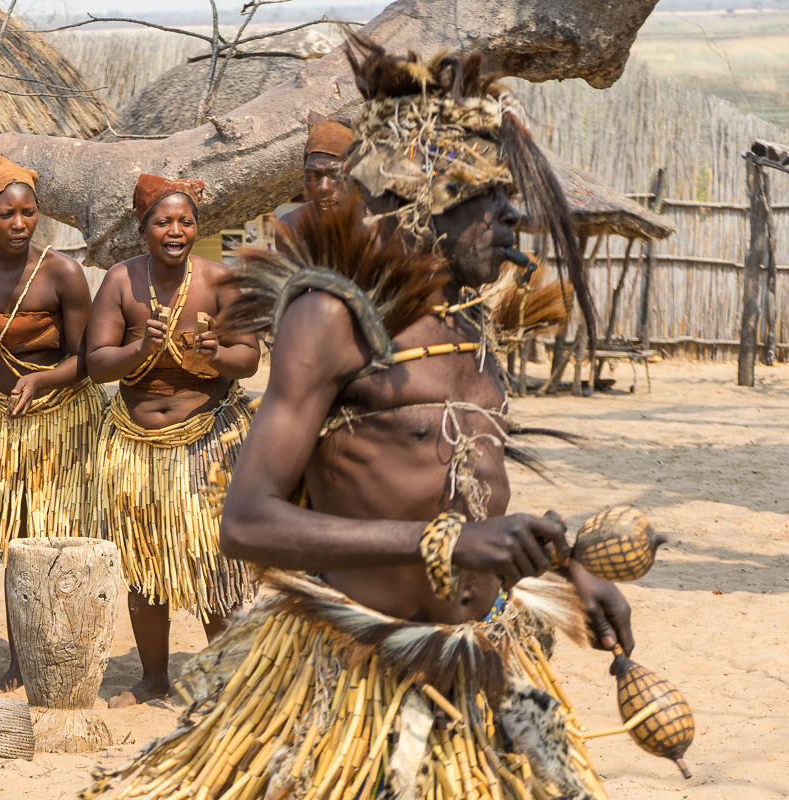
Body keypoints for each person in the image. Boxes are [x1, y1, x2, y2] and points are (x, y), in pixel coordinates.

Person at [87, 40, 630, 800]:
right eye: (491, 195)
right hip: (357, 684)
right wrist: (449, 544)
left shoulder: (477, 322)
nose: (515, 216)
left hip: (478, 669)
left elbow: (468, 496)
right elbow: (246, 521)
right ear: (424, 192)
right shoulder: (333, 320)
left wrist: (564, 568)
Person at [86, 173, 260, 709]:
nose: (176, 230)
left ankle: (224, 679)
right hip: (136, 446)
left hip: (205, 439)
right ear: (143, 229)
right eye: (163, 221)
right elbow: (95, 364)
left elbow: (249, 358)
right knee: (143, 563)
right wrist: (140, 350)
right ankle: (154, 678)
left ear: (197, 227)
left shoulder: (221, 281)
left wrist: (212, 355)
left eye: (185, 221)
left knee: (212, 560)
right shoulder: (120, 282)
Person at [0, 154, 105, 692]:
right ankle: (19, 658)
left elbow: (86, 359)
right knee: (11, 541)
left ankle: (52, 657)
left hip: (57, 424)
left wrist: (42, 381)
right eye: (6, 214)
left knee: (48, 539)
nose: (19, 224)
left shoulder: (62, 272)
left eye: (29, 213)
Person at [276, 110, 353, 236]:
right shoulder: (290, 227)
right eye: (313, 176)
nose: (323, 187)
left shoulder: (384, 228)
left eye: (335, 175)